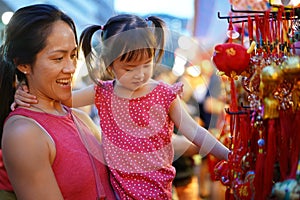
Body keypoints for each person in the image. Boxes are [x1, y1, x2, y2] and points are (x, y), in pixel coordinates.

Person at [14, 14, 230, 199]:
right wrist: (24, 90)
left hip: (158, 192)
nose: (140, 75)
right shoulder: (103, 92)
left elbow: (195, 131)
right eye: (129, 68)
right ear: (110, 64)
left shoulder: (164, 94)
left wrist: (228, 155)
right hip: (117, 192)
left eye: (146, 64)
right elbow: (63, 97)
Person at [0, 4, 116, 200]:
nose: (71, 68)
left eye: (72, 55)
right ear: (23, 64)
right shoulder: (24, 134)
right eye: (58, 58)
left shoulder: (79, 117)